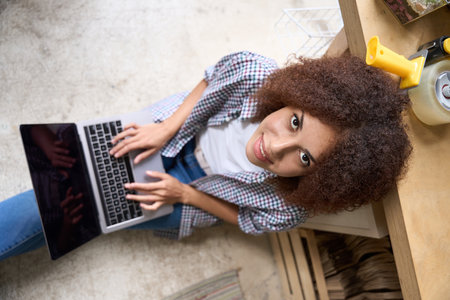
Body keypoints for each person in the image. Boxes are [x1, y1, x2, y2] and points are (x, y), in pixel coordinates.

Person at [0, 51, 411, 261]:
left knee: (83, 209)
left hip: (193, 197)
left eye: (304, 159)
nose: (275, 147)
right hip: (174, 134)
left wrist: (184, 195)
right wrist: (166, 127)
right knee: (71, 199)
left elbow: (248, 219)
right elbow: (216, 72)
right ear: (301, 96)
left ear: (321, 178)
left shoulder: (291, 206)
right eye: (295, 123)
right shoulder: (255, 73)